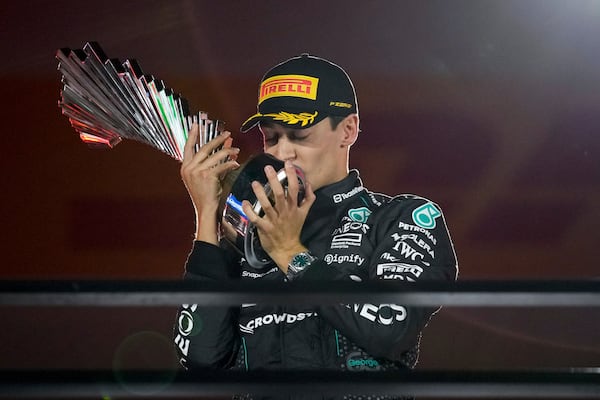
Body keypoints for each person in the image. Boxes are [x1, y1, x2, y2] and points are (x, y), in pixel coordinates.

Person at [173, 54, 458, 399]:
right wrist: (207, 216)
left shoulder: (401, 218)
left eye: (299, 135)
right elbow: (200, 360)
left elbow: (391, 329)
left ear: (348, 130)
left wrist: (290, 253)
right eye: (272, 137)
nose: (283, 153)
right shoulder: (247, 239)